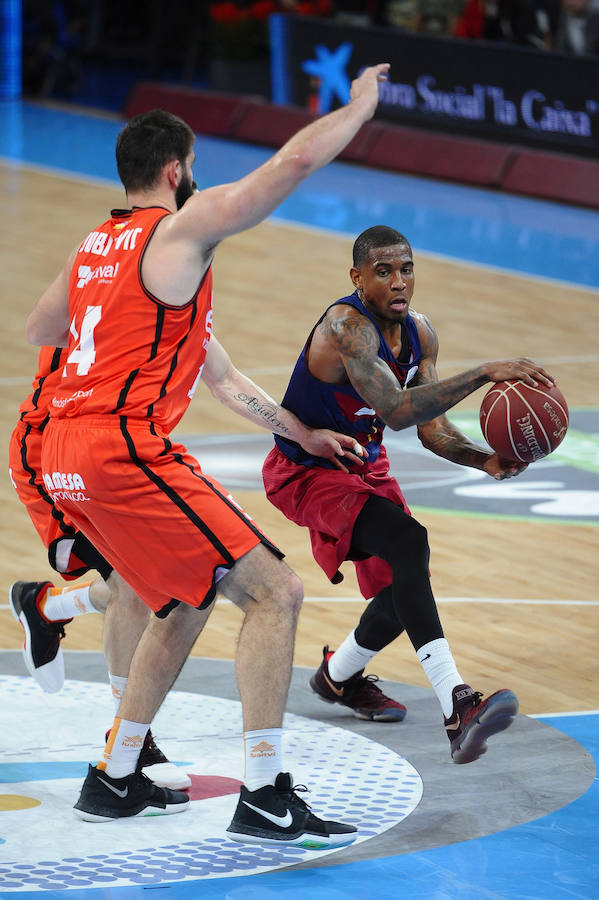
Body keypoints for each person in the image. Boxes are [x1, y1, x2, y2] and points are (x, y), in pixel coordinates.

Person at [24, 64, 388, 847]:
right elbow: (288, 166)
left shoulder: (98, 246)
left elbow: (45, 330)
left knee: (184, 601)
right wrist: (358, 107)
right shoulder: (177, 232)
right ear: (176, 169)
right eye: (194, 169)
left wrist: (300, 432)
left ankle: (114, 774)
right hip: (122, 447)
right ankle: (264, 794)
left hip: (64, 451)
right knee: (275, 593)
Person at [262, 224, 554, 763]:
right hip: (305, 468)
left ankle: (337, 677)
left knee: (401, 590)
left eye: (407, 269)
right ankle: (458, 704)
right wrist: (486, 371)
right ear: (357, 277)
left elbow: (431, 427)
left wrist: (482, 458)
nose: (398, 281)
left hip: (364, 465)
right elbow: (396, 410)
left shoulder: (421, 334)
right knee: (407, 540)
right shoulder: (347, 327)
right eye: (383, 271)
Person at [8, 344, 209, 790]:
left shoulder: (171, 300)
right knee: (134, 585)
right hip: (56, 450)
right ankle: (128, 739)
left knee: (151, 582)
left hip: (115, 451)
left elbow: (223, 375)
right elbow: (38, 327)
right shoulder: (109, 288)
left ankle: (47, 608)